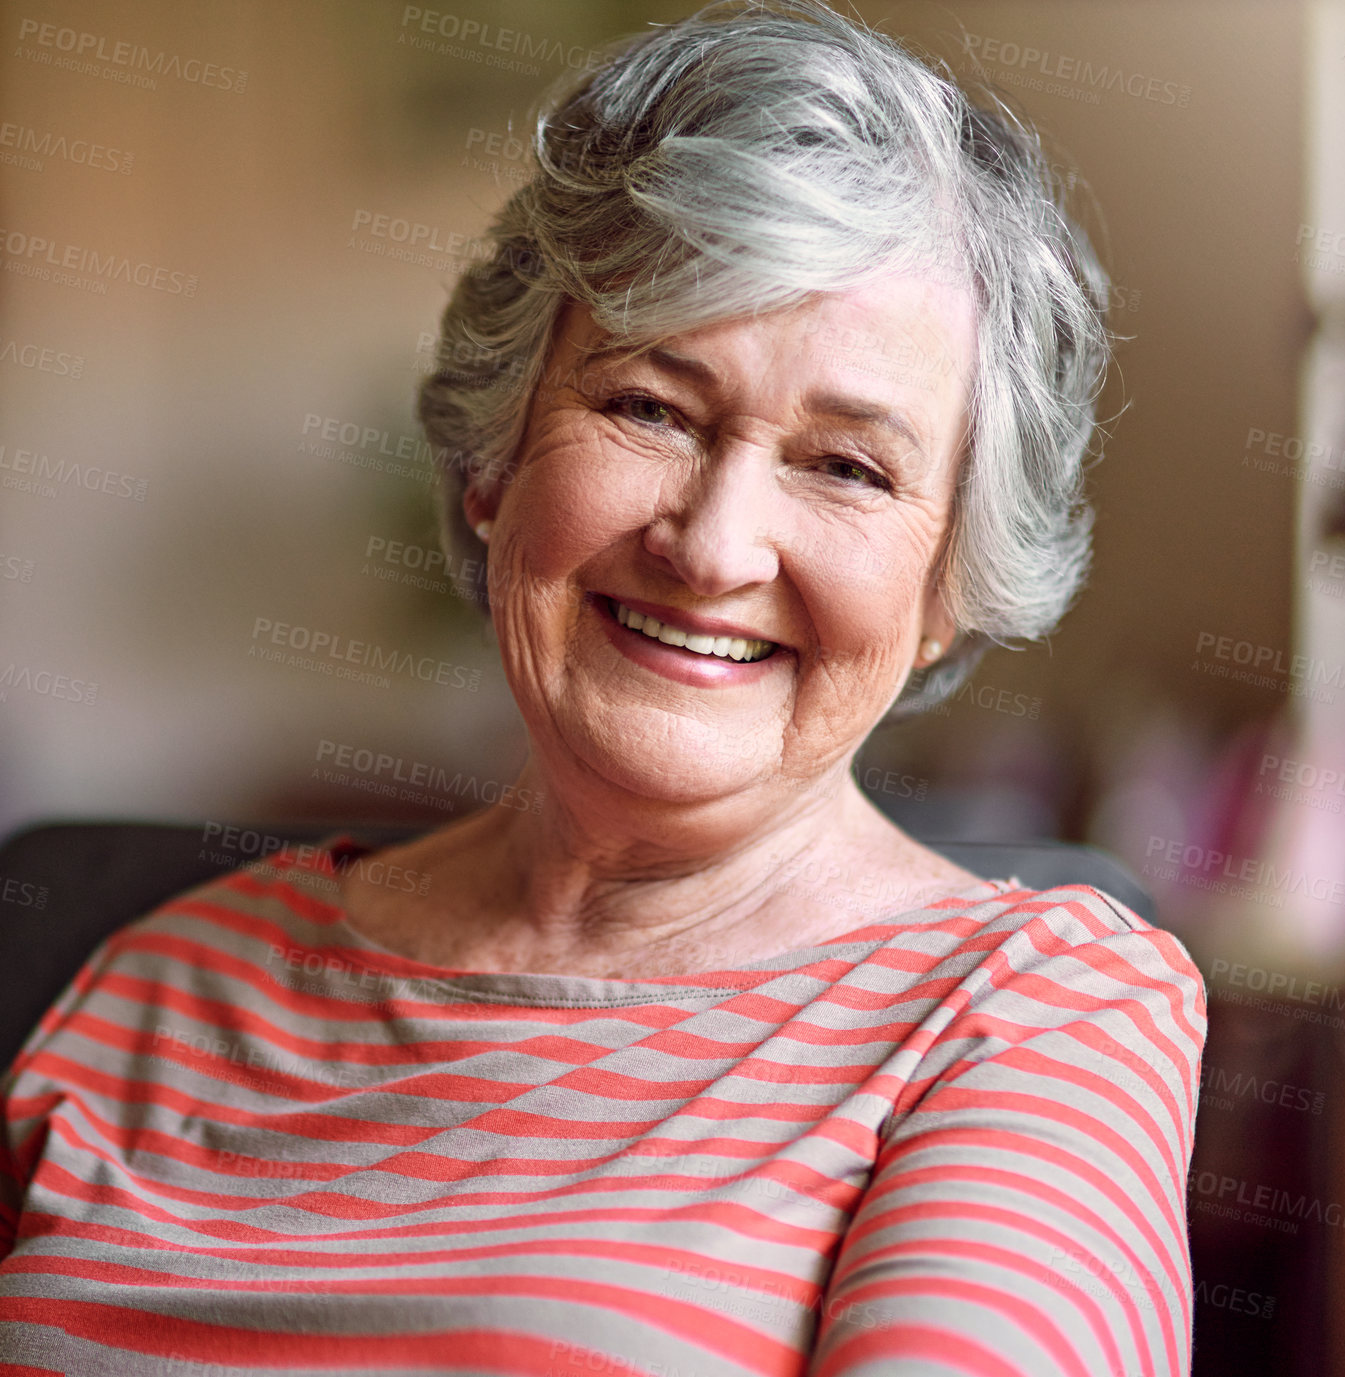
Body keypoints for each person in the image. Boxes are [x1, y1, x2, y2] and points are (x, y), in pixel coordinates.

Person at [0, 2, 1205, 1373]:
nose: (713, 542)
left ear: (947, 594)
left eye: (849, 466)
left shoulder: (1031, 1016)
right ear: (494, 458)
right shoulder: (159, 982)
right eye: (651, 407)